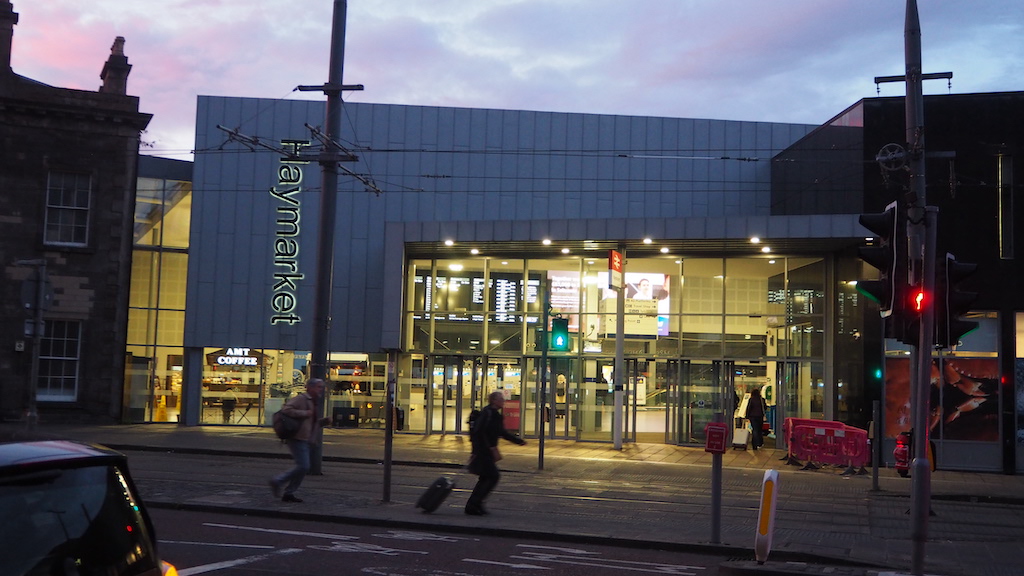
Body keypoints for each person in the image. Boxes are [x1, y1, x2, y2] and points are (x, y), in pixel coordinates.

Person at [269, 378, 331, 503]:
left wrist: (323, 422)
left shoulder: (313, 401)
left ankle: (289, 492)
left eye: (321, 387)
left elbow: (311, 421)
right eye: (319, 387)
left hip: (304, 437)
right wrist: (304, 413)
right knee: (304, 466)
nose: (321, 390)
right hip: (297, 437)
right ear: (310, 387)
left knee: (303, 467)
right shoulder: (302, 399)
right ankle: (278, 481)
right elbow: (286, 410)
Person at [465, 390, 526, 516]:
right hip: (483, 451)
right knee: (493, 476)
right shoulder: (488, 414)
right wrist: (478, 450)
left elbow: (501, 432)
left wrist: (517, 441)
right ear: (494, 401)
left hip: (487, 451)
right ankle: (474, 504)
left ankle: (474, 505)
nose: (503, 401)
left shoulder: (494, 414)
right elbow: (478, 432)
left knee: (485, 477)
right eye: (501, 399)